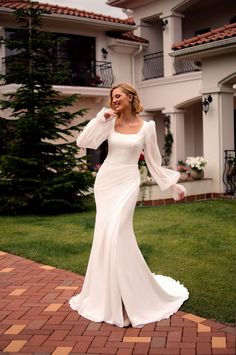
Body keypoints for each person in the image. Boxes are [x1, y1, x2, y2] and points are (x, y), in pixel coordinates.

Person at [69, 83, 189, 328]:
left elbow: (154, 161)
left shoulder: (147, 127)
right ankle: (111, 297)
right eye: (112, 97)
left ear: (131, 97)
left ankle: (129, 297)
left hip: (128, 183)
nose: (114, 100)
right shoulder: (109, 122)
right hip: (106, 182)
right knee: (106, 236)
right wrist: (100, 119)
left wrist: (173, 185)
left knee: (117, 235)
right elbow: (83, 142)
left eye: (117, 96)